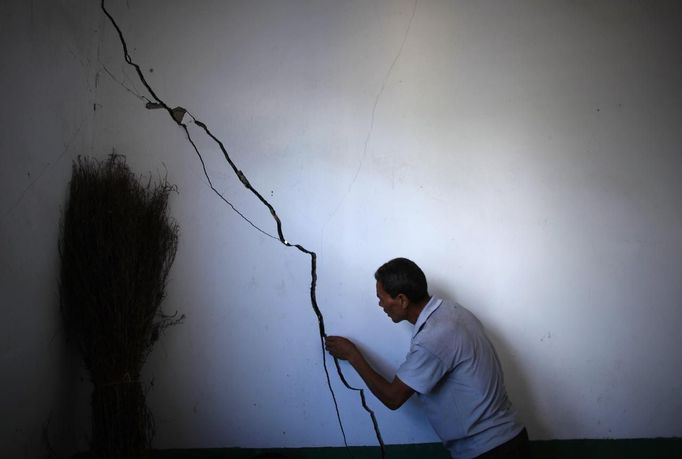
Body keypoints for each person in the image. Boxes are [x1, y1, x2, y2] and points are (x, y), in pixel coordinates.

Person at [325, 257, 530, 459]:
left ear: (402, 300)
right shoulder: (453, 312)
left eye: (381, 297)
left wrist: (352, 355)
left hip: (490, 450)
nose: (380, 304)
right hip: (507, 440)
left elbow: (393, 397)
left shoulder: (435, 337)